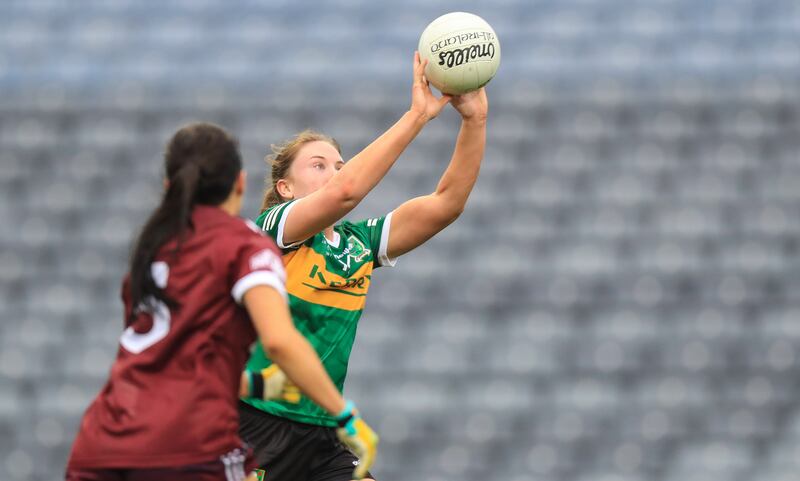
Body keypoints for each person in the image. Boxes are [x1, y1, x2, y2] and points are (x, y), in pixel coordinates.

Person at [65, 123, 378, 481]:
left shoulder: (153, 250)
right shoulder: (242, 243)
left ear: (169, 187)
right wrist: (345, 415)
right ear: (240, 183)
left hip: (104, 437)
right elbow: (279, 341)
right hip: (181, 443)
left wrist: (257, 386)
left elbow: (172, 365)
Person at [238, 52, 489, 481]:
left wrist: (475, 122)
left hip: (323, 433)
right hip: (257, 424)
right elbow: (345, 193)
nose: (334, 173)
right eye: (318, 166)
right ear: (284, 187)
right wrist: (416, 116)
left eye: (338, 164)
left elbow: (446, 204)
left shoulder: (359, 244)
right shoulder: (273, 230)